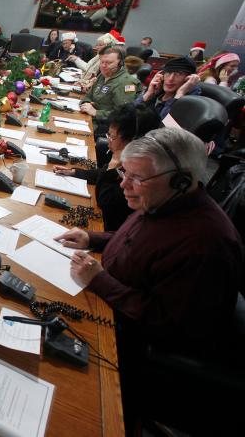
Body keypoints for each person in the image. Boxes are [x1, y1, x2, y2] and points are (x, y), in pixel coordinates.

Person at [56, 126, 242, 373]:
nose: (124, 185)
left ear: (181, 180)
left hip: (129, 345)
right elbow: (140, 239)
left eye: (137, 178)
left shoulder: (206, 246)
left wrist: (100, 280)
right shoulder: (164, 201)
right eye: (125, 173)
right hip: (106, 296)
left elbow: (167, 323)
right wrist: (92, 238)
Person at [54, 104, 160, 231]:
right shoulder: (133, 156)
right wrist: (74, 172)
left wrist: (113, 163)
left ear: (133, 140)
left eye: (112, 136)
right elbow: (102, 174)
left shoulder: (138, 172)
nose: (108, 140)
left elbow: (104, 200)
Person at [80, 46, 140, 127]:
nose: (103, 66)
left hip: (106, 126)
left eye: (109, 63)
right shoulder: (103, 75)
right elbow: (89, 95)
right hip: (89, 118)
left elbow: (123, 114)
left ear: (120, 63)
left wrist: (96, 112)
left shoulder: (127, 83)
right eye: (102, 62)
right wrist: (86, 104)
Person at [136, 56, 201, 119]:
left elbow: (162, 126)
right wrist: (149, 94)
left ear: (188, 79)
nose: (170, 79)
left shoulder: (189, 101)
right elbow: (129, 115)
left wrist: (179, 95)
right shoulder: (156, 93)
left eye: (179, 74)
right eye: (168, 72)